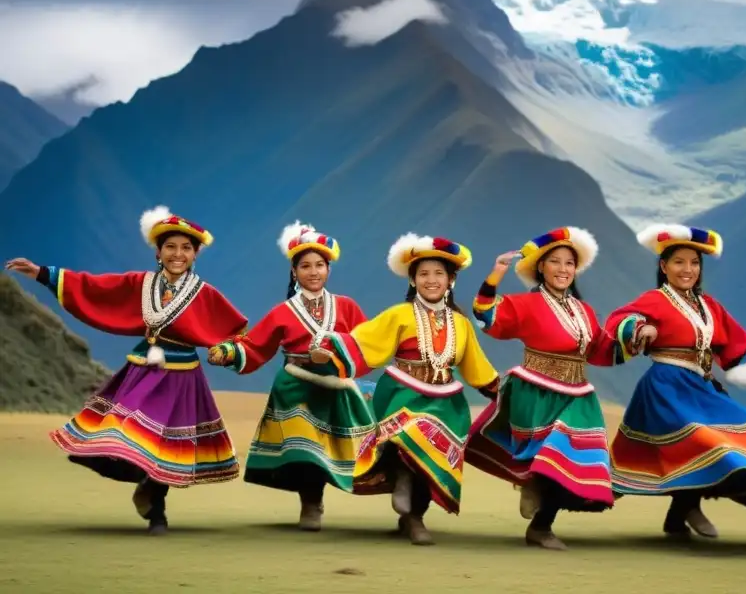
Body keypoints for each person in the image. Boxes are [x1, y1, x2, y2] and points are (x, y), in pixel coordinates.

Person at [4, 206, 248, 534]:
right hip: (143, 370)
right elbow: (97, 288)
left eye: (186, 248)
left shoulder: (205, 294)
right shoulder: (140, 283)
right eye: (171, 247)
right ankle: (147, 490)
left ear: (195, 254)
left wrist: (228, 350)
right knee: (127, 428)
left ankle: (156, 504)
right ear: (158, 252)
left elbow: (236, 332)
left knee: (167, 443)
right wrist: (43, 274)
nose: (178, 254)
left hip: (183, 377)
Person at [306, 233, 500, 546]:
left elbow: (476, 365)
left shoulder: (461, 324)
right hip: (402, 393)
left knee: (433, 453)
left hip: (447, 400)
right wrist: (327, 350)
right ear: (412, 279)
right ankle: (405, 484)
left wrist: (498, 390)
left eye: (439, 273)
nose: (431, 280)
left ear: (451, 280)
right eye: (423, 273)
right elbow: (364, 341)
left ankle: (414, 515)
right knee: (414, 430)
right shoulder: (399, 314)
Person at [604, 223, 746, 540]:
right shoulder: (655, 300)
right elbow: (621, 319)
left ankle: (679, 515)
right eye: (679, 262)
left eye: (694, 262)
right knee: (701, 441)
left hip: (701, 387)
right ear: (664, 266)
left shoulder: (709, 307)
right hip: (665, 387)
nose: (687, 269)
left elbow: (738, 347)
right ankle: (687, 508)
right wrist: (641, 329)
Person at [466, 226, 641, 551]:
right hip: (536, 391)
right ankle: (536, 493)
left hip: (577, 395)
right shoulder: (525, 305)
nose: (563, 269)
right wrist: (495, 276)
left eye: (569, 263)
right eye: (555, 262)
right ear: (540, 268)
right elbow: (485, 318)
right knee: (555, 455)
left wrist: (633, 338)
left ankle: (541, 521)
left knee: (575, 459)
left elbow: (602, 350)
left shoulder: (584, 312)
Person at [207, 221, 375, 531]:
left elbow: (367, 345)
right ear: (294, 272)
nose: (313, 272)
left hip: (333, 389)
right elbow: (256, 346)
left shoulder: (347, 307)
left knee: (326, 452)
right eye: (305, 266)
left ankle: (318, 497)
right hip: (295, 387)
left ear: (329, 269)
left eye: (320, 265)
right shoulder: (283, 312)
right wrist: (229, 353)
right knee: (303, 446)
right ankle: (310, 504)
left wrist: (338, 356)